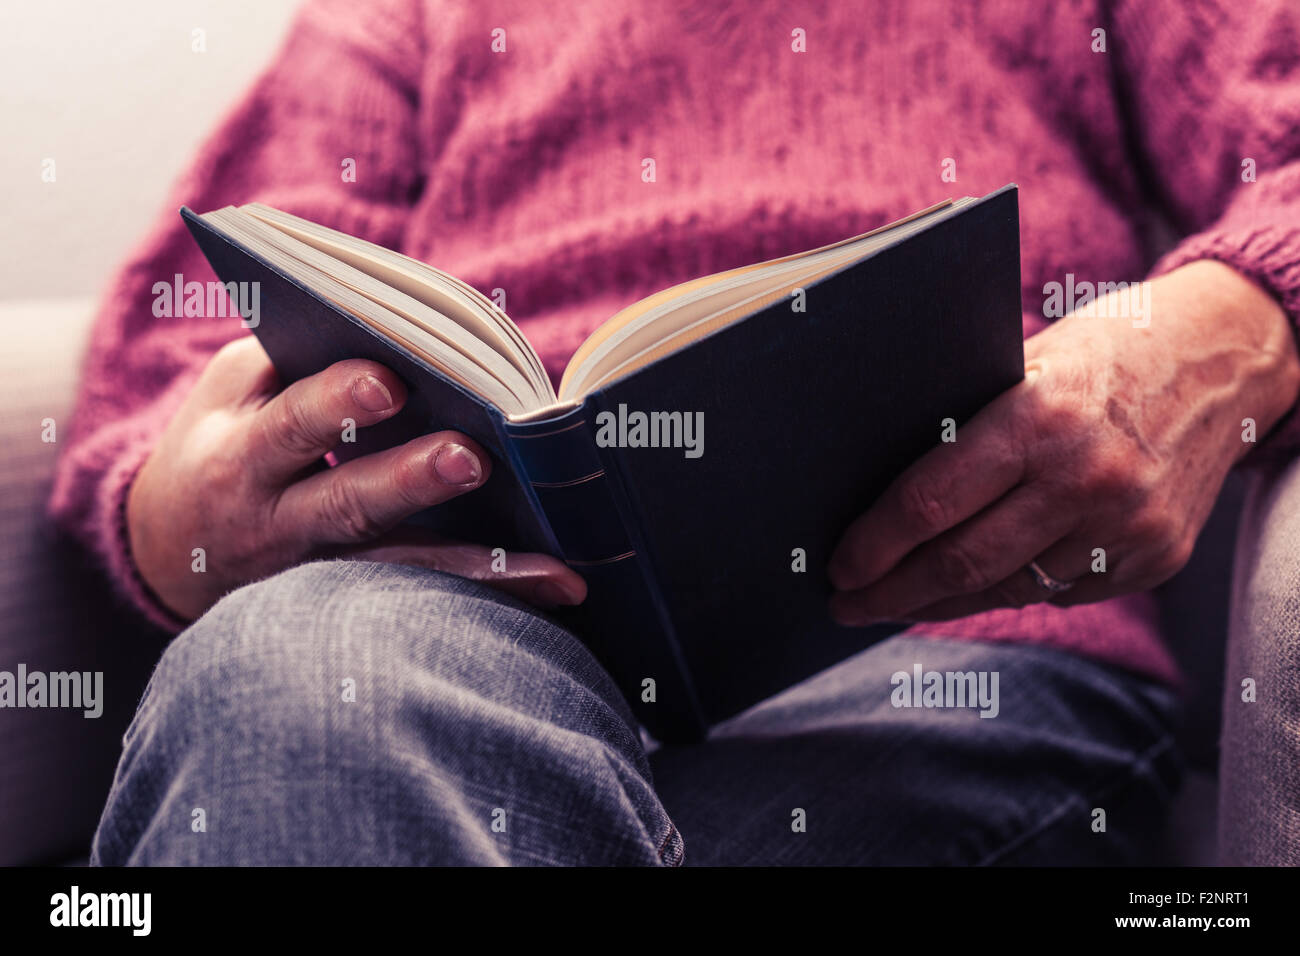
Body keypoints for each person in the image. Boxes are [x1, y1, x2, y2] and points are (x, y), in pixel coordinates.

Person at [51, 0, 1300, 865]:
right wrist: (176, 527)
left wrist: (1230, 321)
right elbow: (184, 353)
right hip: (453, 644)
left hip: (954, 667)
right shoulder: (404, 18)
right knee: (305, 673)